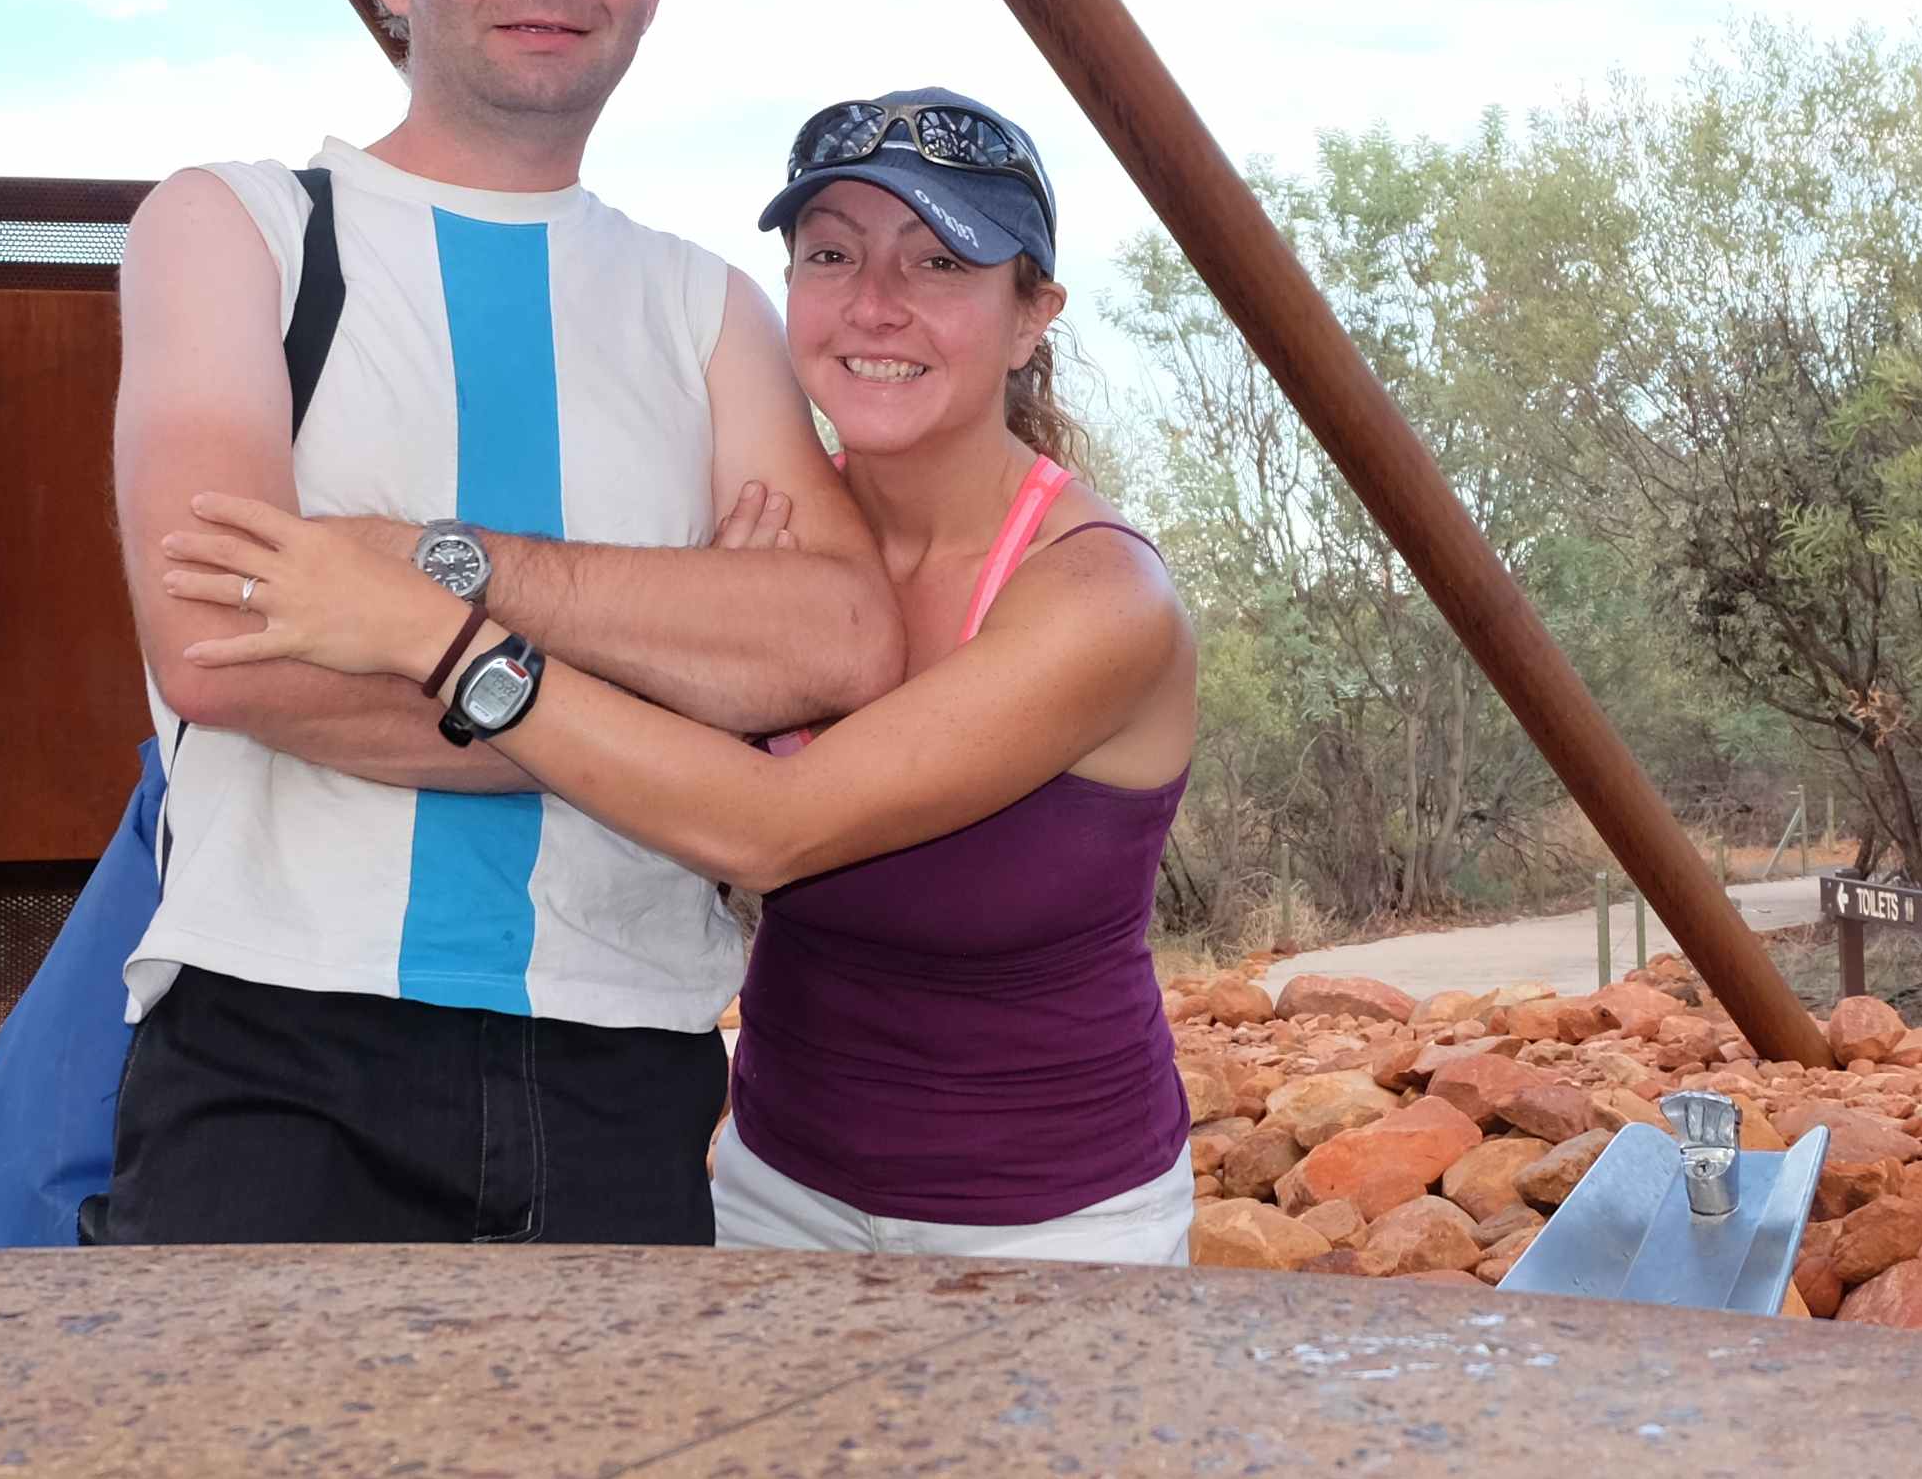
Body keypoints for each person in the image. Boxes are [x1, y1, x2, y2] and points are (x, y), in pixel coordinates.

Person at [85, 0, 905, 1247]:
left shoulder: (708, 303)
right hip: (279, 1046)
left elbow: (845, 640)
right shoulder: (238, 229)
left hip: (630, 1062)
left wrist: (421, 577)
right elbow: (222, 647)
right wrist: (692, 721)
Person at [159, 89, 1205, 1263]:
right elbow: (652, 740)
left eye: (941, 263)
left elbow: (769, 827)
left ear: (1031, 317)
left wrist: (437, 631)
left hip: (1054, 1219)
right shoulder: (773, 537)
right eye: (832, 255)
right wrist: (711, 650)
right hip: (779, 1189)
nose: (876, 302)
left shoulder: (1099, 599)